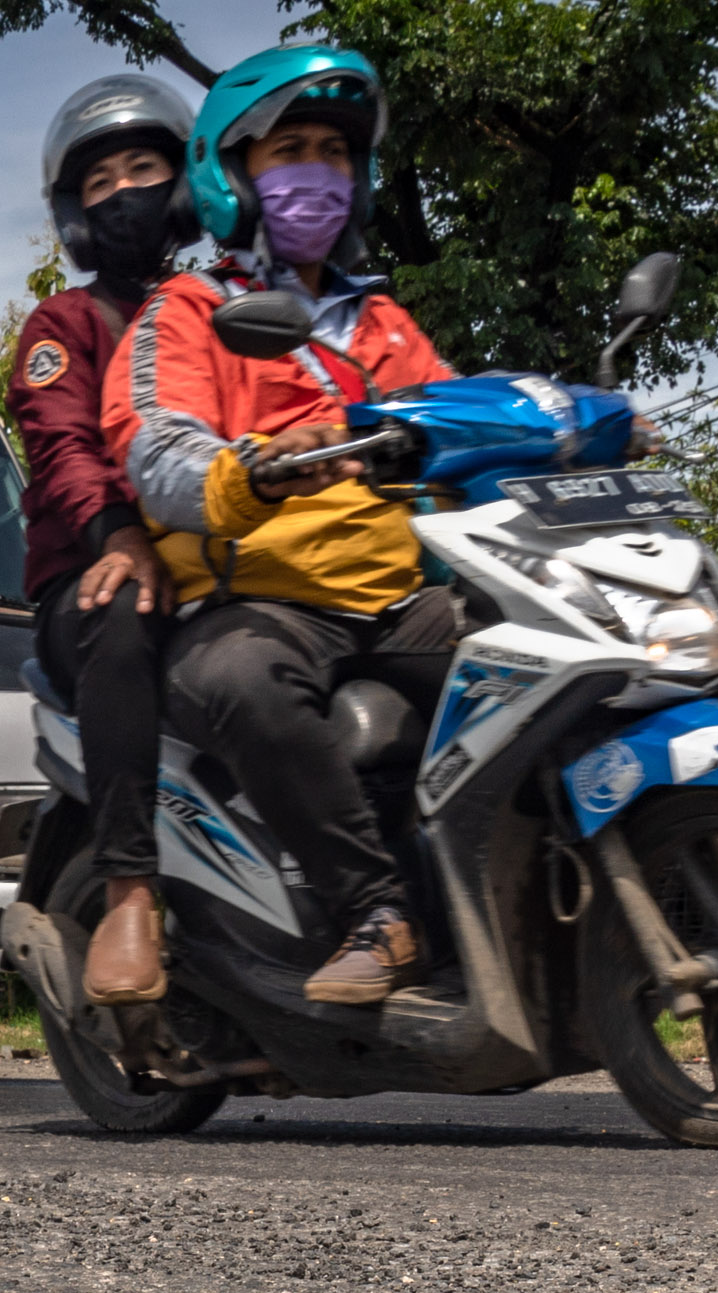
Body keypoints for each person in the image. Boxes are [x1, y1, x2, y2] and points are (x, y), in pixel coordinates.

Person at [111, 44, 456, 1005]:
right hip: (255, 600)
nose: (317, 171)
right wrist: (248, 471)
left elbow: (462, 416)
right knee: (239, 680)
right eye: (289, 149)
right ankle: (376, 914)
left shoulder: (384, 323)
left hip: (395, 600)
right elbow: (155, 448)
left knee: (537, 653)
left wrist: (570, 425)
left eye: (335, 153)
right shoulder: (186, 314)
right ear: (234, 175)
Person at [9, 72, 195, 1007]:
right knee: (123, 608)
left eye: (145, 166)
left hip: (208, 573)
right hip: (86, 586)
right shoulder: (65, 325)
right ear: (75, 211)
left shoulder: (221, 313)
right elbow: (61, 446)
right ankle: (130, 892)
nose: (126, 190)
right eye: (100, 180)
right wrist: (119, 532)